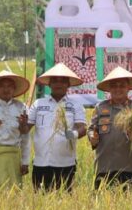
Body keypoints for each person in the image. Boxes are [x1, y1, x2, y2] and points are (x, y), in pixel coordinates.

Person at [26, 63, 87, 191]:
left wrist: (73, 134)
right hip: (41, 163)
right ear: (49, 84)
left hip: (65, 163)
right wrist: (22, 119)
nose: (59, 84)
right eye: (55, 81)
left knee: (65, 202)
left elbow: (82, 128)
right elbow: (25, 129)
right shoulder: (38, 104)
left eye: (63, 81)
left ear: (68, 84)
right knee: (39, 202)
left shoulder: (75, 105)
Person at [87, 67, 132, 190]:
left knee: (130, 206)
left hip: (130, 168)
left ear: (128, 87)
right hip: (104, 167)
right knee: (102, 207)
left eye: (122, 85)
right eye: (114, 86)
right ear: (109, 88)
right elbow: (91, 128)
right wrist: (92, 136)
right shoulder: (100, 107)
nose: (118, 89)